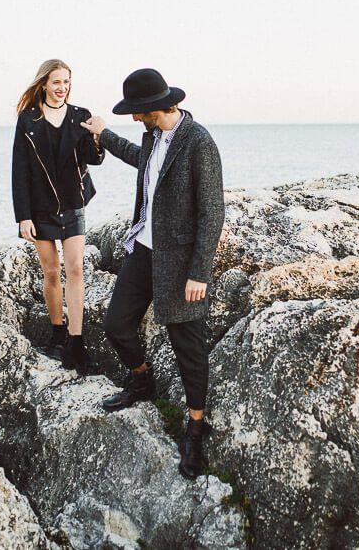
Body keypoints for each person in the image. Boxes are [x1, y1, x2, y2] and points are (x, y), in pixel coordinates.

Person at [81, 67, 225, 480]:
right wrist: (102, 134)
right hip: (143, 250)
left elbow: (212, 212)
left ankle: (196, 427)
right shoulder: (152, 136)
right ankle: (142, 381)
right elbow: (137, 158)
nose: (135, 119)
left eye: (137, 112)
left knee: (189, 349)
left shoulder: (199, 144)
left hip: (180, 264)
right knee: (116, 324)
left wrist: (199, 272)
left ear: (155, 107)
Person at [12, 59, 103, 373]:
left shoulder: (80, 116)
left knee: (75, 269)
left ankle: (77, 343)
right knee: (51, 272)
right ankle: (57, 334)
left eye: (66, 82)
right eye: (56, 82)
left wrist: (97, 136)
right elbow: (19, 171)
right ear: (44, 84)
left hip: (73, 204)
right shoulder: (28, 120)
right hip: (40, 209)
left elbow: (94, 159)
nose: (62, 87)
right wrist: (23, 216)